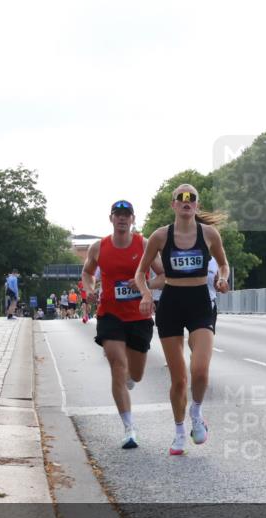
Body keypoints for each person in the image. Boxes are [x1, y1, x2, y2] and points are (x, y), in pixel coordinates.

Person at [135, 185, 230, 456]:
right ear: (173, 204)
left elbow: (223, 264)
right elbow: (140, 273)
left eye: (192, 198)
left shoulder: (209, 234)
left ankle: (196, 412)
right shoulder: (160, 236)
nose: (187, 201)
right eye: (181, 198)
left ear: (197, 205)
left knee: (200, 371)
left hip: (200, 302)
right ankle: (179, 431)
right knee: (179, 380)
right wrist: (145, 294)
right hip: (171, 305)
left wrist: (222, 278)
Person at [83, 200, 165, 449]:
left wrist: (143, 285)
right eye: (117, 215)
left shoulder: (144, 244)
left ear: (132, 219)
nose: (121, 219)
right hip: (110, 314)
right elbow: (87, 273)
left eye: (126, 215)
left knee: (136, 375)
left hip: (140, 315)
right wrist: (90, 289)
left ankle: (131, 375)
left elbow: (163, 276)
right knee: (117, 364)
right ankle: (129, 428)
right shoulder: (98, 247)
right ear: (111, 219)